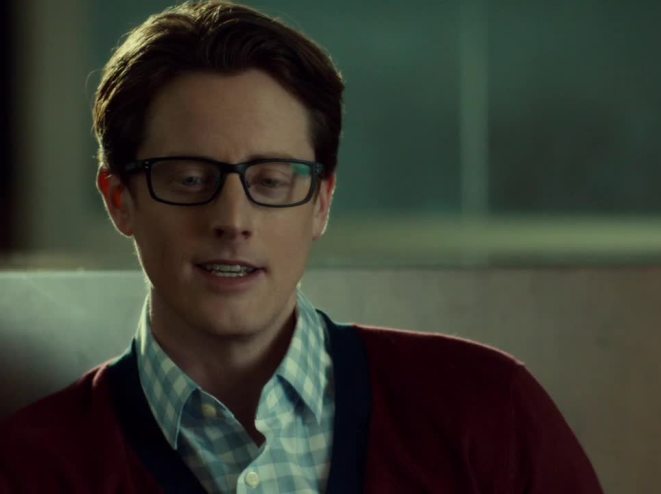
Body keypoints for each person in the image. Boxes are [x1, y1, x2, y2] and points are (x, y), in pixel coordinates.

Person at [0, 1, 603, 492]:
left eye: (270, 181)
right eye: (189, 179)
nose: (232, 220)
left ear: (321, 201)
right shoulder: (30, 468)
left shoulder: (486, 412)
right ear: (119, 200)